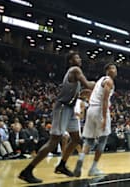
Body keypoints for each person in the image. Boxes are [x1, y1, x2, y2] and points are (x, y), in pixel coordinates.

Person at [19, 52, 95, 183]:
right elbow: (88, 84)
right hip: (62, 108)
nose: (80, 59)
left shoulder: (73, 74)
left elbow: (76, 92)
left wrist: (81, 94)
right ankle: (27, 171)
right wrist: (101, 83)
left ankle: (62, 165)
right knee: (54, 140)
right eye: (76, 57)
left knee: (76, 138)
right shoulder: (75, 70)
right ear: (70, 61)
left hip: (70, 108)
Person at [73, 63, 117, 177]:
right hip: (99, 110)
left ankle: (80, 160)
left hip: (90, 109)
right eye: (112, 68)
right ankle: (93, 168)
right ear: (107, 71)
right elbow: (105, 100)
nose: (115, 70)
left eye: (115, 68)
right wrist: (104, 117)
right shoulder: (109, 81)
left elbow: (93, 94)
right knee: (103, 140)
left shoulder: (99, 80)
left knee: (89, 141)